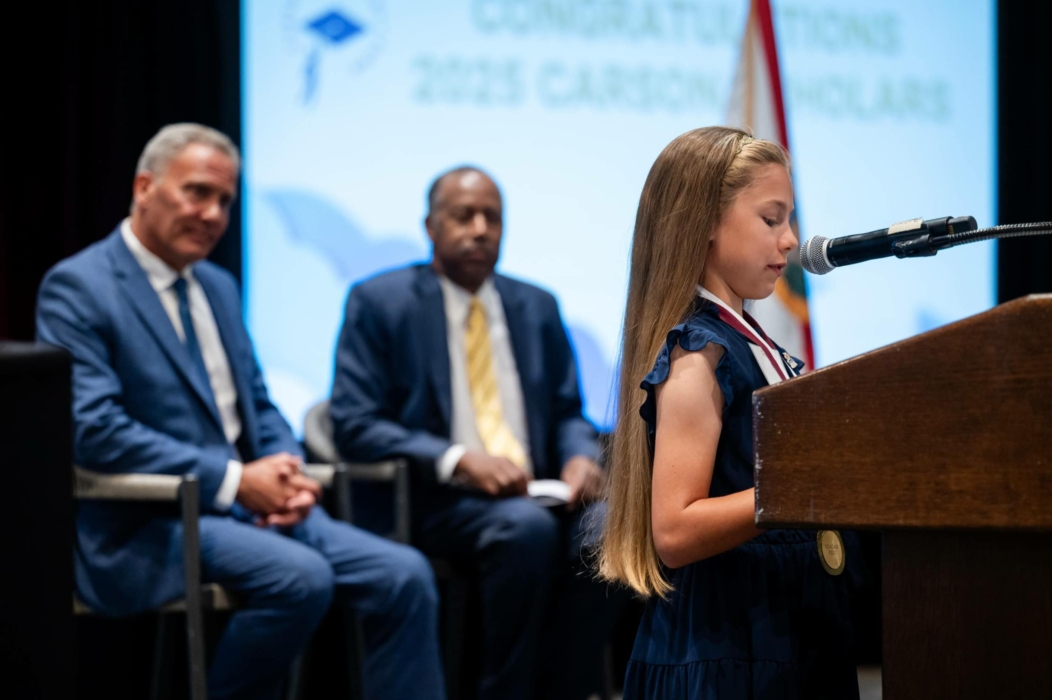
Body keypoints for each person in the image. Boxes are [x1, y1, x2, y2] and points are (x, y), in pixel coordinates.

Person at [36, 123, 445, 700]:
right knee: (300, 578)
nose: (213, 214)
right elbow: (96, 431)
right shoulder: (80, 286)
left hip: (249, 513)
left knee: (405, 575)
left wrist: (287, 470)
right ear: (145, 187)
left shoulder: (218, 286)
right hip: (151, 522)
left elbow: (258, 403)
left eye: (225, 201)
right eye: (197, 192)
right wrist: (235, 481)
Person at [329, 166, 624, 700]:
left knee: (613, 529)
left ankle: (564, 688)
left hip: (539, 492)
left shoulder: (536, 306)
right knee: (525, 531)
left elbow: (567, 411)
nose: (480, 229)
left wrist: (581, 456)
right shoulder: (380, 301)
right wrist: (459, 459)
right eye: (464, 216)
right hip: (435, 499)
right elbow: (355, 423)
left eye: (493, 217)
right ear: (430, 226)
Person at [598, 126, 859, 698]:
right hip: (728, 647)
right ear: (707, 224)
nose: (791, 240)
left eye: (789, 220)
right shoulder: (699, 353)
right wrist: (808, 485)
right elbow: (675, 528)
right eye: (771, 219)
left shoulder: (747, 342)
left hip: (783, 632)